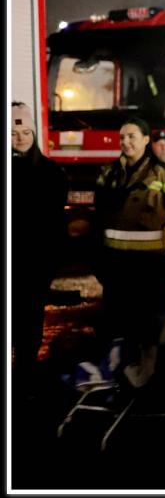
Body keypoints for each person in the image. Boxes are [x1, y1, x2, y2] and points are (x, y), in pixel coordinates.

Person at [93, 116, 165, 389]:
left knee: (149, 327)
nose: (126, 142)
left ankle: (148, 380)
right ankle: (117, 376)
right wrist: (99, 263)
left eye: (132, 136)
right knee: (116, 325)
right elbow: (99, 218)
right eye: (122, 137)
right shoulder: (108, 173)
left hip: (152, 267)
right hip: (116, 266)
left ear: (146, 140)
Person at [11, 102, 69, 397]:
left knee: (30, 319)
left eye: (25, 132)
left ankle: (25, 375)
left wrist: (50, 263)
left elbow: (55, 224)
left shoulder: (50, 173)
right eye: (13, 133)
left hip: (34, 263)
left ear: (34, 133)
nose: (20, 138)